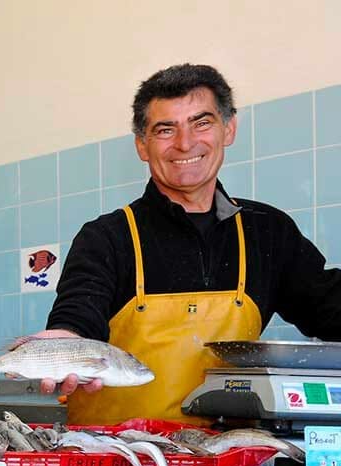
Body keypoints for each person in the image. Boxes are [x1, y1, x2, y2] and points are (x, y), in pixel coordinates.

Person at [43, 63, 341, 425]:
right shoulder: (107, 236)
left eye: (202, 123)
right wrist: (64, 340)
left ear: (228, 128)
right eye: (165, 130)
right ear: (142, 144)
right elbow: (79, 313)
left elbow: (327, 306)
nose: (185, 143)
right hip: (117, 463)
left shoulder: (268, 232)